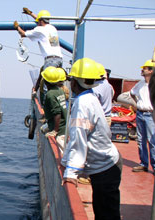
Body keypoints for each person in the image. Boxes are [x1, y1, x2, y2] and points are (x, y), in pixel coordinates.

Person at [61, 58, 122, 220]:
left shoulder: (82, 103)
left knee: (106, 215)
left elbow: (78, 139)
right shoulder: (91, 97)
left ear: (74, 82)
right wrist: (65, 161)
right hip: (107, 164)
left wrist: (71, 172)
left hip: (105, 168)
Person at [14, 8, 63, 93]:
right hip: (59, 59)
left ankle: (45, 105)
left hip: (50, 60)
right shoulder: (52, 28)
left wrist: (17, 27)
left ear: (40, 21)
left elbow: (23, 34)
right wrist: (31, 13)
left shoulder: (39, 30)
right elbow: (40, 21)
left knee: (45, 86)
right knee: (57, 85)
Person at [131, 59, 155, 172]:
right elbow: (132, 93)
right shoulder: (140, 84)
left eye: (145, 68)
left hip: (150, 115)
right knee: (141, 140)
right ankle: (143, 163)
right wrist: (137, 105)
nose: (142, 70)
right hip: (141, 114)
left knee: (152, 141)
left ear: (151, 71)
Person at [41, 67, 67, 153]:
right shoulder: (59, 90)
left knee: (61, 156)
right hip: (64, 126)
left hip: (60, 131)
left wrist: (55, 131)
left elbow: (57, 113)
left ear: (45, 81)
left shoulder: (50, 94)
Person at [92, 63, 115, 127]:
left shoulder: (95, 87)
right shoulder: (109, 85)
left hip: (98, 118)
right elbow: (112, 95)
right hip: (107, 117)